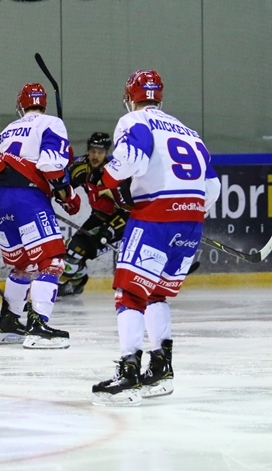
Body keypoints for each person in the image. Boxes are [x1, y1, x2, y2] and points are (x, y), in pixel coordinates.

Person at [91, 69, 220, 405]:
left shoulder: (134, 120)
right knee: (156, 295)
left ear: (129, 96)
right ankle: (162, 370)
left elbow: (130, 159)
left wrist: (104, 179)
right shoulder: (190, 132)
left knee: (130, 295)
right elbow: (212, 187)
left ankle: (130, 372)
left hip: (154, 219)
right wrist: (187, 212)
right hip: (191, 221)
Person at [0, 82, 78, 349]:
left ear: (21, 105)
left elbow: (24, 161)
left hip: (2, 199)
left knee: (24, 265)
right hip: (28, 200)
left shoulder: (8, 129)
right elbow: (51, 166)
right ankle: (38, 327)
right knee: (52, 262)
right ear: (44, 104)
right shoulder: (52, 123)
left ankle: (8, 323)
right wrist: (68, 195)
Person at [58, 132, 131, 296]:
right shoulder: (80, 168)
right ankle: (76, 284)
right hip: (97, 217)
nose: (95, 156)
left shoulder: (116, 174)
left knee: (75, 251)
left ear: (107, 153)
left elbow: (128, 211)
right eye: (92, 151)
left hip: (119, 223)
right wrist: (59, 193)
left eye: (100, 152)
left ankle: (59, 286)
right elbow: (63, 186)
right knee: (71, 251)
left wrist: (109, 230)